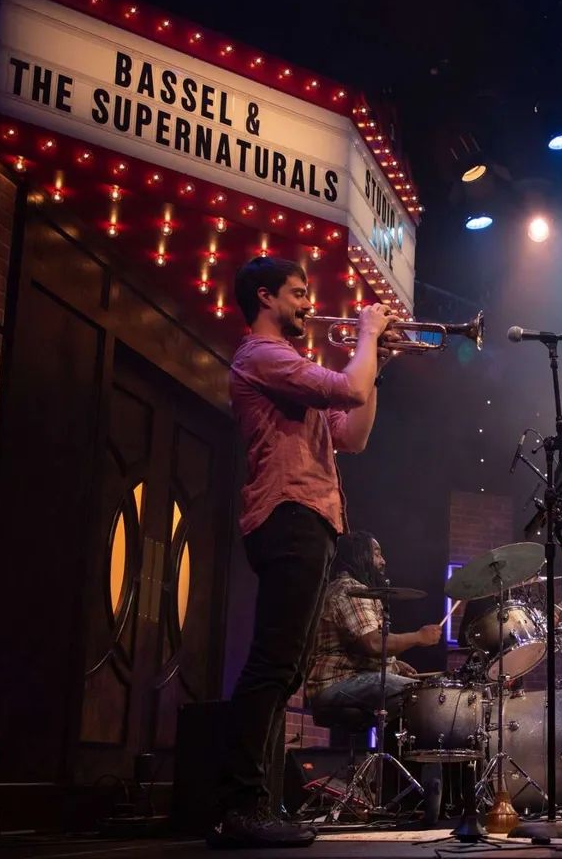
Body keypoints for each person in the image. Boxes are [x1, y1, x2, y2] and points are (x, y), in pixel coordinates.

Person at [211, 256, 395, 848]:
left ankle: (254, 804)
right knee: (272, 665)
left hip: (311, 518)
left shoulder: (291, 370)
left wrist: (377, 364)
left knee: (286, 667)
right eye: (297, 293)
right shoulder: (262, 356)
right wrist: (365, 338)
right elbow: (347, 385)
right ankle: (239, 807)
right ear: (265, 297)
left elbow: (353, 435)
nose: (307, 303)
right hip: (287, 514)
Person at [306, 531, 443, 719]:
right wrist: (419, 637)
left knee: (412, 694)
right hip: (336, 683)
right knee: (419, 695)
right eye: (377, 553)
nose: (383, 561)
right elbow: (373, 643)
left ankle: (393, 746)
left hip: (343, 681)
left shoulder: (347, 588)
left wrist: (394, 665)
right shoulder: (350, 590)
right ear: (359, 556)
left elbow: (356, 649)